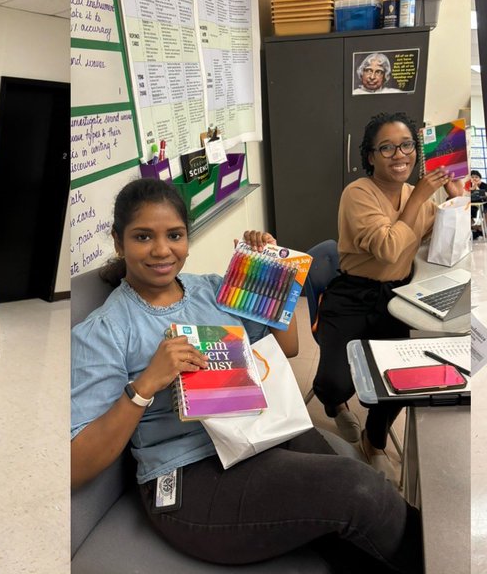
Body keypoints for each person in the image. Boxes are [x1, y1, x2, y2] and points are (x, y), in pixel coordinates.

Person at [71, 179, 422, 573]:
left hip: (257, 434)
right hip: (189, 477)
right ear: (119, 243)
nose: (161, 250)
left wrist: (269, 272)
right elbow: (76, 465)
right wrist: (146, 384)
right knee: (360, 491)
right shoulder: (107, 329)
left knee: (354, 528)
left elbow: (286, 346)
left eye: (174, 235)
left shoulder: (212, 291)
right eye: (142, 237)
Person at [312, 112, 466, 469]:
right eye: (387, 148)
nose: (400, 155)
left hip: (397, 297)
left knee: (405, 378)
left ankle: (374, 438)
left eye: (407, 145)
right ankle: (335, 405)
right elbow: (388, 248)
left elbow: (443, 245)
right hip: (351, 294)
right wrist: (422, 198)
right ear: (370, 156)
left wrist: (455, 200)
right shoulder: (358, 193)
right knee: (334, 382)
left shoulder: (418, 196)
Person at [467, 169, 487, 235]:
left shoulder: (485, 186)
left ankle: (481, 229)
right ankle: (474, 228)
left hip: (484, 203)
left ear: (480, 178)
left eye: (476, 177)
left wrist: (476, 187)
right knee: (466, 214)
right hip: (472, 204)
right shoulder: (468, 186)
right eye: (472, 177)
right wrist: (472, 188)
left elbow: (484, 195)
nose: (474, 179)